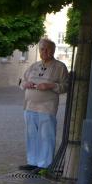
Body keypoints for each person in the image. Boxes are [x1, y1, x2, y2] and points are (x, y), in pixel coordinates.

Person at [18, 38, 68, 171]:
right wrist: (26, 84)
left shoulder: (60, 67)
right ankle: (32, 162)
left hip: (47, 107)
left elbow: (65, 86)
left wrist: (50, 85)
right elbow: (22, 81)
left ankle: (45, 164)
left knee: (46, 136)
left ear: (53, 50)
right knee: (31, 135)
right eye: (42, 49)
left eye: (48, 49)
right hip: (29, 106)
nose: (44, 51)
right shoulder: (34, 66)